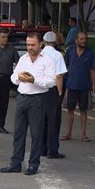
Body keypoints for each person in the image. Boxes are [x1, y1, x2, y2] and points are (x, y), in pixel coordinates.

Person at [0, 32, 56, 175]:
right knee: (18, 133)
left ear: (40, 44)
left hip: (38, 99)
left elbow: (51, 82)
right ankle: (15, 163)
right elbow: (13, 77)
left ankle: (33, 164)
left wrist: (33, 80)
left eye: (33, 45)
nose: (30, 48)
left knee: (36, 134)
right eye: (28, 45)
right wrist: (18, 77)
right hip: (22, 98)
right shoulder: (23, 59)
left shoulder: (47, 60)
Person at [61, 32, 95, 142]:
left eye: (85, 39)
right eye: (81, 39)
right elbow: (64, 66)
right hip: (71, 85)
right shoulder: (70, 51)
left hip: (85, 86)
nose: (83, 41)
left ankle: (83, 134)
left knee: (83, 110)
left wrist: (94, 85)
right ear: (76, 40)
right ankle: (68, 133)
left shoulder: (90, 53)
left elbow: (93, 70)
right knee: (70, 110)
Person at [41, 31, 67, 159]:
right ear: (55, 42)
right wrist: (60, 92)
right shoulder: (58, 55)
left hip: (39, 89)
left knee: (41, 120)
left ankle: (41, 149)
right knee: (53, 120)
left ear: (44, 42)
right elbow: (59, 76)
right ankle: (52, 150)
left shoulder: (40, 54)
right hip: (52, 90)